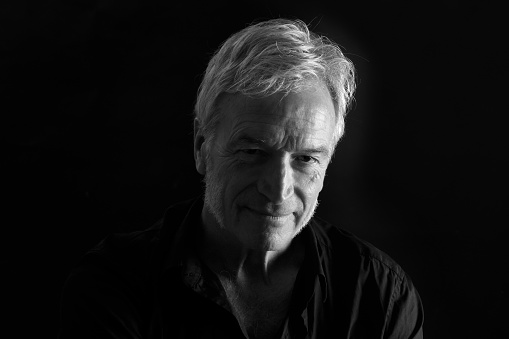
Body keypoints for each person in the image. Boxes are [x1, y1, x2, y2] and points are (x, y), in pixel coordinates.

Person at [59, 18, 424, 338]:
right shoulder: (115, 287)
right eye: (253, 153)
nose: (278, 189)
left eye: (305, 159)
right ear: (202, 148)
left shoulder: (380, 296)